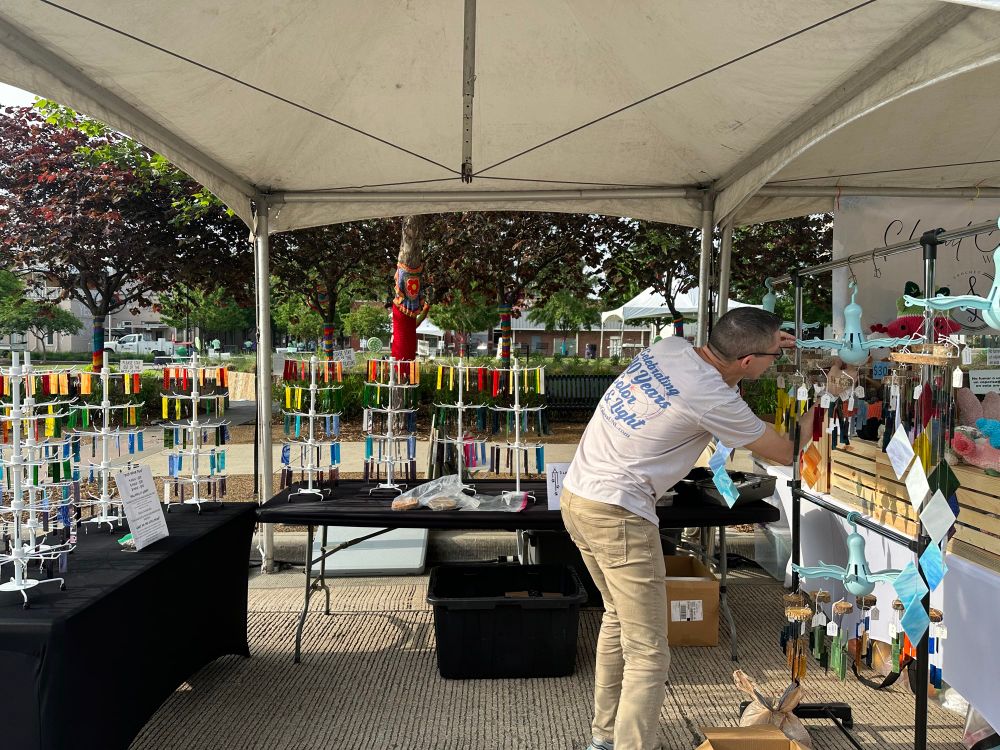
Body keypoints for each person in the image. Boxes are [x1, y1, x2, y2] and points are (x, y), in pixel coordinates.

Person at [560, 308, 799, 750]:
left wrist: (764, 342)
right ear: (747, 362)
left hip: (578, 497)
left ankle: (605, 738)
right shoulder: (712, 397)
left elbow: (720, 375)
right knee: (650, 652)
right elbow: (784, 452)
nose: (774, 364)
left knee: (618, 619)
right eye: (771, 357)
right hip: (618, 513)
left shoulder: (669, 348)